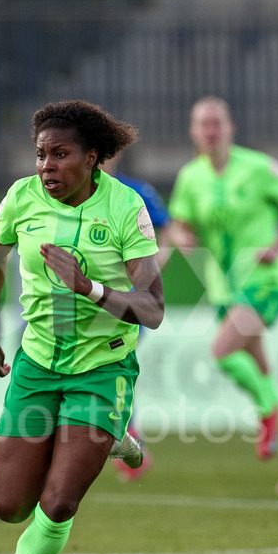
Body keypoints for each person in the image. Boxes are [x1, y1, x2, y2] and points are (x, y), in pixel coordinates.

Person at [0, 100, 163, 554]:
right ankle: (103, 437)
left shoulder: (126, 208)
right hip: (37, 364)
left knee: (57, 501)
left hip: (102, 370)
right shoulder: (21, 199)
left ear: (93, 157)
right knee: (9, 505)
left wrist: (90, 288)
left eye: (60, 154)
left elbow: (153, 308)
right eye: (40, 155)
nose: (46, 166)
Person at [168, 96, 278, 495]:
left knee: (221, 351)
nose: (210, 130)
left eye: (217, 122)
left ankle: (268, 417)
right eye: (203, 123)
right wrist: (183, 238)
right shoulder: (190, 178)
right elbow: (181, 227)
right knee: (262, 375)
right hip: (225, 289)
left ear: (230, 128)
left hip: (263, 282)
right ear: (193, 131)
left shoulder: (257, 166)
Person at [99, 147, 172, 482]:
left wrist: (146, 280)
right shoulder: (70, 195)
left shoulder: (137, 194)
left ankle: (129, 442)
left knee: (115, 365)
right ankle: (125, 441)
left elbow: (169, 236)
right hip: (86, 301)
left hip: (126, 303)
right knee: (108, 369)